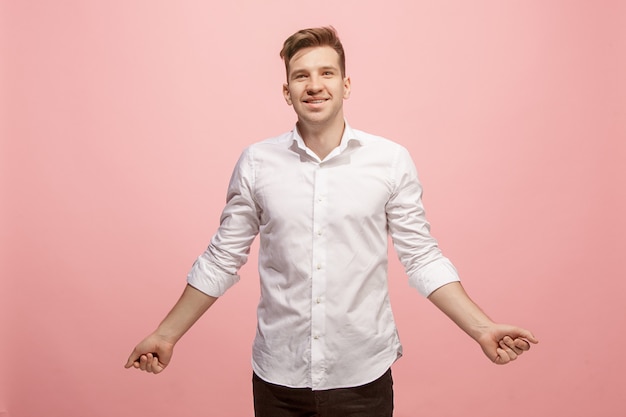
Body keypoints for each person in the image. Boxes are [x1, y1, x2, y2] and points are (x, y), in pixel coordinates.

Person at [125, 26, 538, 417]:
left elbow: (422, 258)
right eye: (301, 76)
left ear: (346, 84)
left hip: (362, 377)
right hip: (278, 379)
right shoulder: (256, 163)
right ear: (287, 92)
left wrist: (481, 328)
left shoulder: (390, 161)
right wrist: (166, 335)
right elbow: (221, 259)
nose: (315, 84)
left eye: (327, 72)